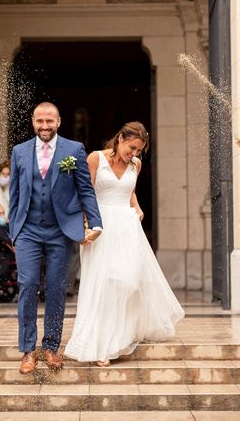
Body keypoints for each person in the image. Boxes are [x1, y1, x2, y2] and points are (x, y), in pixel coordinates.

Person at [64, 121, 184, 365]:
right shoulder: (96, 158)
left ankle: (121, 335)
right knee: (103, 284)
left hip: (127, 227)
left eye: (138, 150)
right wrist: (86, 225)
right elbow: (84, 192)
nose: (134, 154)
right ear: (119, 139)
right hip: (101, 226)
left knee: (129, 282)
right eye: (131, 148)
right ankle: (102, 346)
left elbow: (129, 191)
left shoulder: (136, 165)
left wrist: (138, 209)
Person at [9, 101, 103, 374]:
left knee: (56, 287)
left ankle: (51, 347)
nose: (45, 126)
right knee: (27, 285)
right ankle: (28, 350)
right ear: (33, 121)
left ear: (59, 122)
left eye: (50, 121)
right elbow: (14, 193)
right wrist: (14, 228)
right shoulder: (19, 152)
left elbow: (85, 189)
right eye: (40, 121)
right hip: (28, 230)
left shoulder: (73, 150)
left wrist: (95, 221)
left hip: (61, 230)